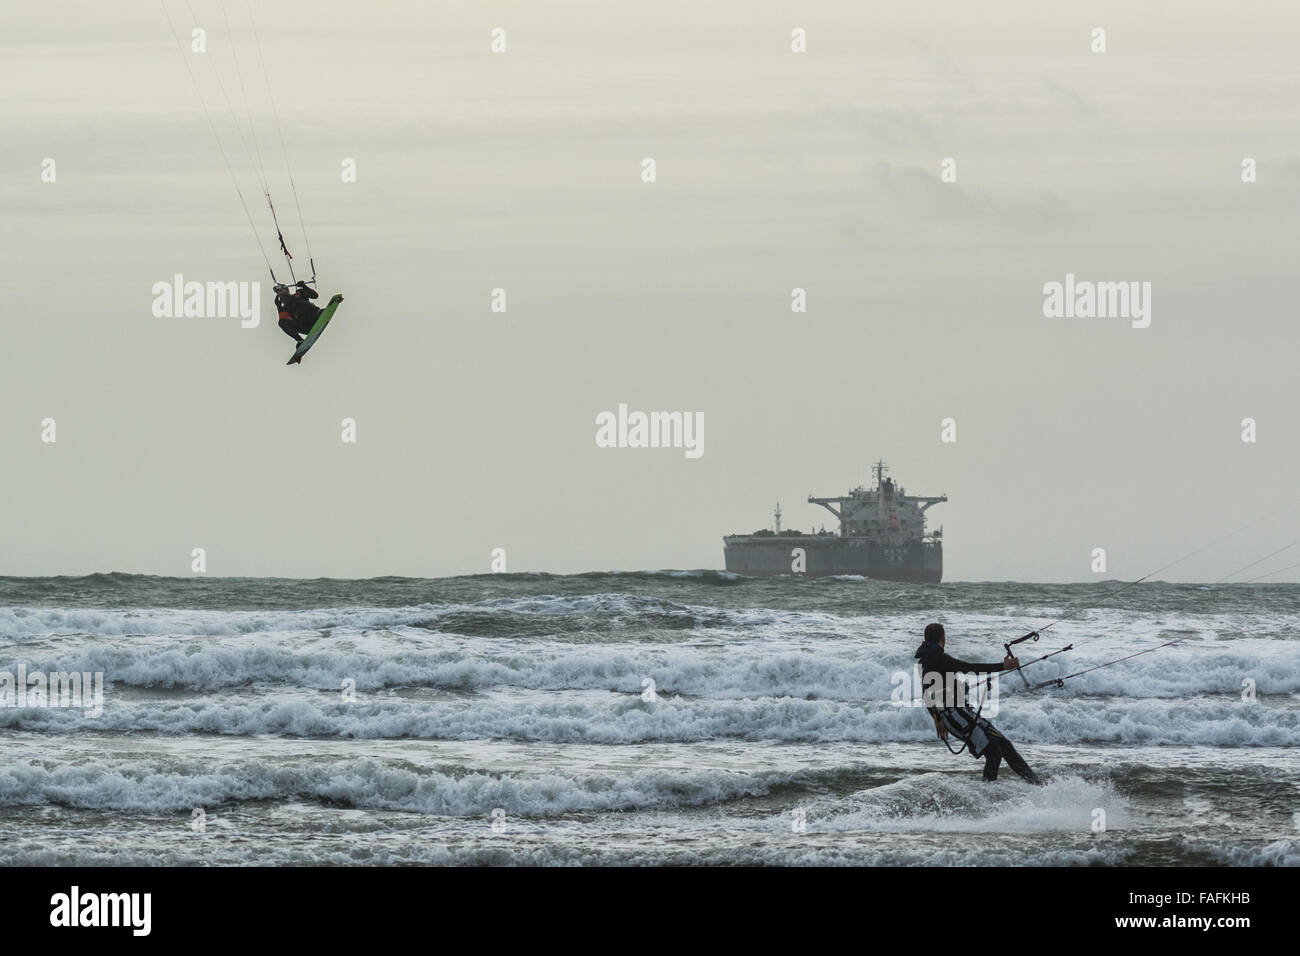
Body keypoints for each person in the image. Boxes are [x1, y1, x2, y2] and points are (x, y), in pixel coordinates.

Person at [915, 622, 1042, 784]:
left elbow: (932, 691)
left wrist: (955, 696)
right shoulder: (938, 658)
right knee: (994, 751)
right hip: (954, 715)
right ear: (943, 638)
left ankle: (1036, 783)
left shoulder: (926, 660)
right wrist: (1004, 666)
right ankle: (990, 794)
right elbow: (970, 668)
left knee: (1003, 745)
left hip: (958, 712)